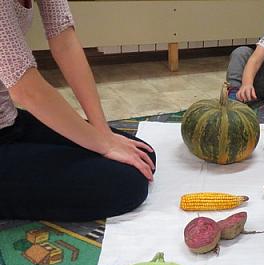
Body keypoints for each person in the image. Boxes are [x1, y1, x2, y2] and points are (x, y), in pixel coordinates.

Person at [0, 0, 156, 221]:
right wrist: (103, 144)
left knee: (143, 157)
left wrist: (103, 133)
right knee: (127, 183)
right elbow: (26, 89)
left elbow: (64, 40)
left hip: (10, 121)